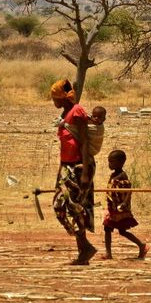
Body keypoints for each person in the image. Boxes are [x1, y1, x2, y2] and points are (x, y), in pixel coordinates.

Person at [50, 78, 97, 265]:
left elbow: (84, 141)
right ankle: (84, 245)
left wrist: (85, 172)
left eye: (55, 97)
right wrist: (61, 170)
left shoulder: (77, 111)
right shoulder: (65, 114)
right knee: (59, 206)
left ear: (62, 98)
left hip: (79, 166)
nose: (53, 101)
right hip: (66, 167)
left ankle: (83, 250)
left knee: (76, 207)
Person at [62, 105, 106, 231]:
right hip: (82, 161)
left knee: (82, 197)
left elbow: (85, 139)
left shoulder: (96, 128)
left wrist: (67, 125)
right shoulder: (87, 121)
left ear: (105, 118)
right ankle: (79, 224)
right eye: (95, 116)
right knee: (80, 197)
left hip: (86, 162)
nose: (96, 119)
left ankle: (81, 225)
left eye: (100, 117)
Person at [103, 149, 149, 260]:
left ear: (120, 163)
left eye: (112, 162)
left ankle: (141, 245)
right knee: (108, 228)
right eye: (109, 161)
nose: (110, 164)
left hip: (120, 209)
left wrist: (124, 203)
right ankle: (109, 254)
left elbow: (129, 190)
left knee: (120, 231)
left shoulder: (122, 175)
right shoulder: (113, 175)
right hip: (112, 208)